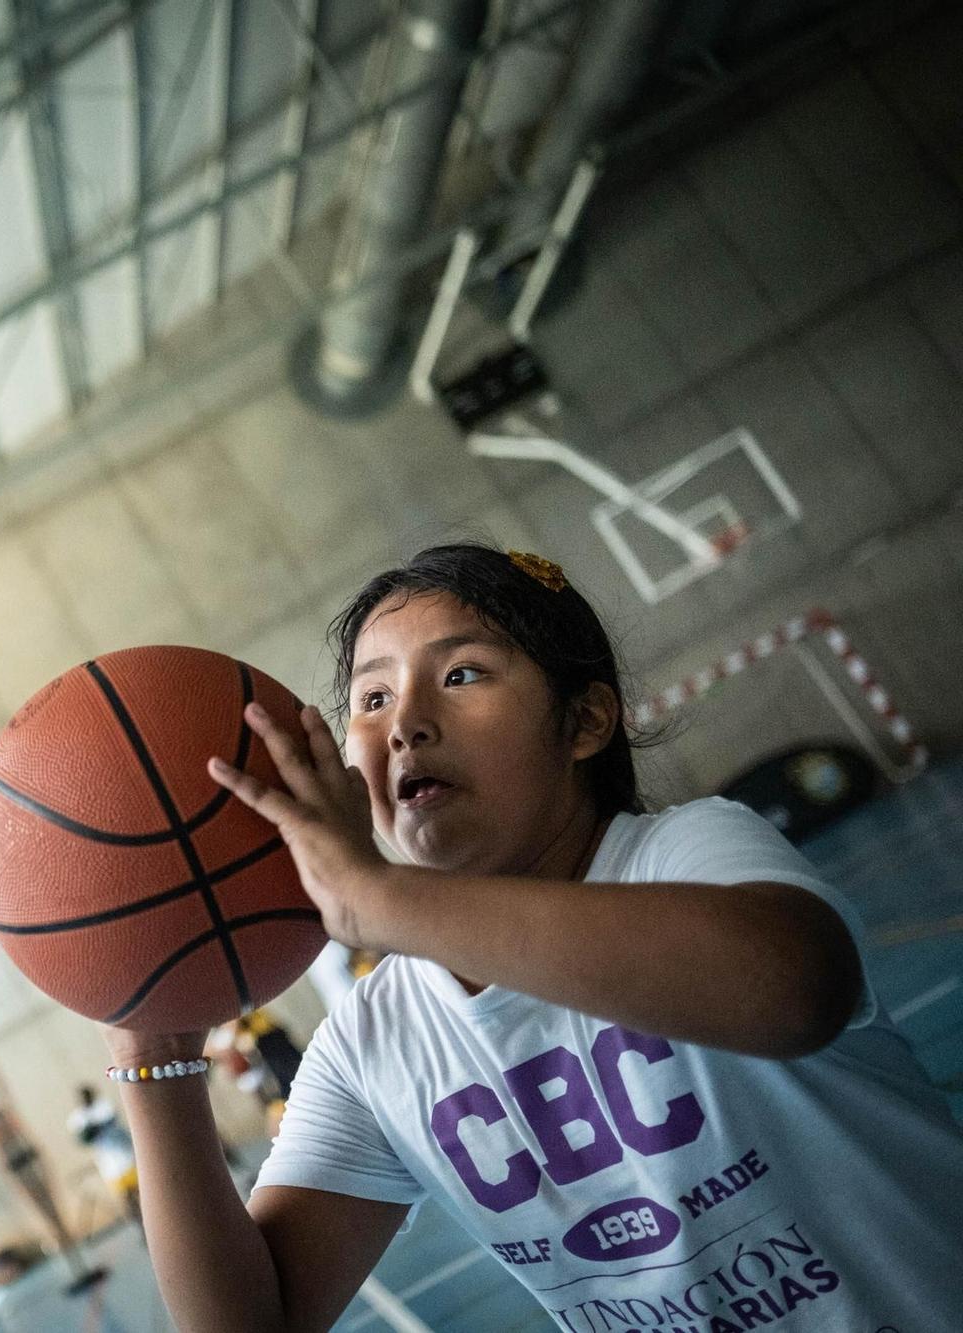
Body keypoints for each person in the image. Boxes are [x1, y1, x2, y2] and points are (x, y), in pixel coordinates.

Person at [100, 543, 963, 1331]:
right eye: (372, 695)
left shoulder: (688, 849)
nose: (405, 722)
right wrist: (152, 1058)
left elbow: (791, 989)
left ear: (585, 721)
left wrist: (377, 898)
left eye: (464, 673)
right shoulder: (374, 1041)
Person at [68, 1084, 140, 1225]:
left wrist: (92, 1128)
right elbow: (83, 1138)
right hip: (109, 1164)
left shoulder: (104, 1106)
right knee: (125, 1197)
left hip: (125, 1155)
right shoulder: (78, 1117)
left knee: (140, 1190)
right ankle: (139, 1223)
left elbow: (109, 1120)